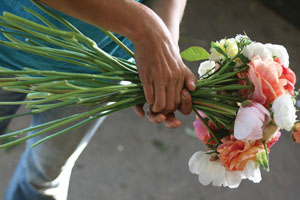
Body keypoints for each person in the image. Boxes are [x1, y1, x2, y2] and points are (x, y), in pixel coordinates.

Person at [0, 0, 196, 199]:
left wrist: (163, 47)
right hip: (5, 39)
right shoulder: (142, 27)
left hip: (100, 66)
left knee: (44, 177)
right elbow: (146, 29)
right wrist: (145, 28)